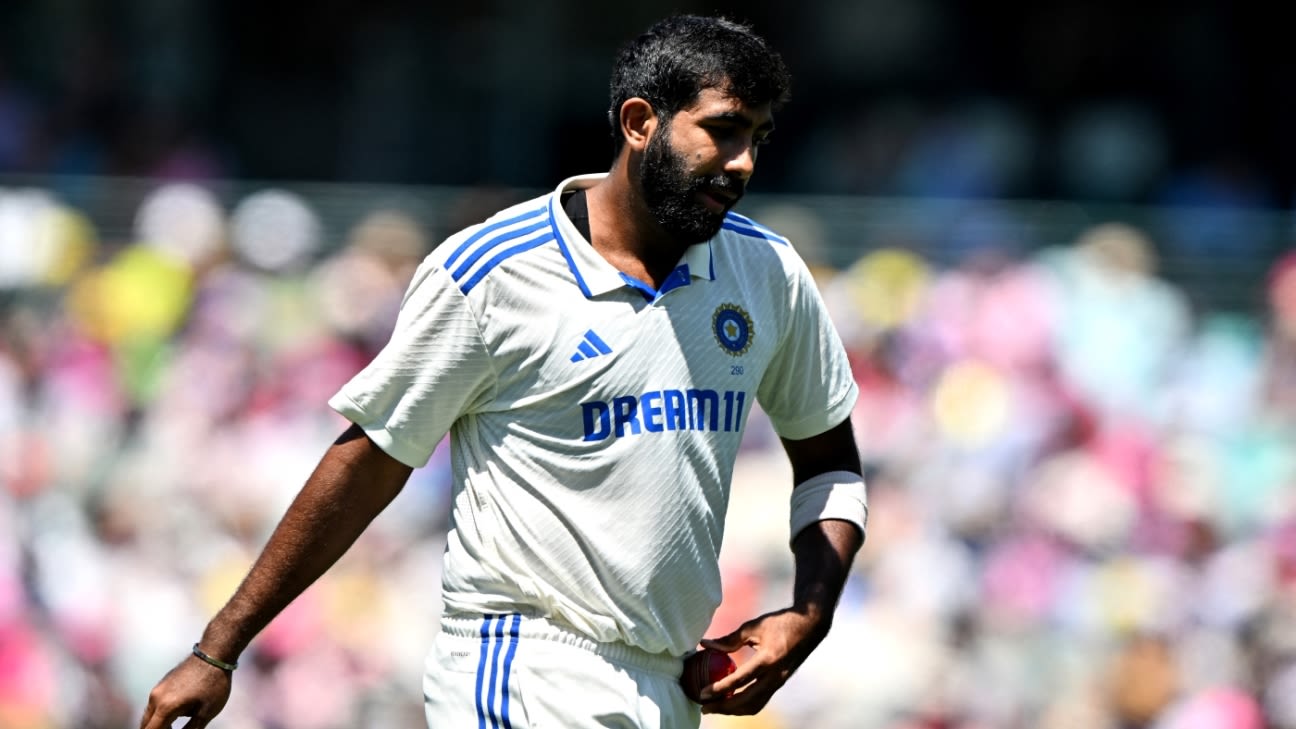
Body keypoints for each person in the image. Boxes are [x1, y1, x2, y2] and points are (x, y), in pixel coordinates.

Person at [140, 14, 867, 729]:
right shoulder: (494, 271)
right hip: (520, 667)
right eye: (723, 129)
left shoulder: (766, 271)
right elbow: (372, 459)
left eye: (758, 137)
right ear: (640, 120)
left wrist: (809, 613)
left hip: (669, 684)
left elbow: (831, 465)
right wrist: (219, 649)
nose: (743, 161)